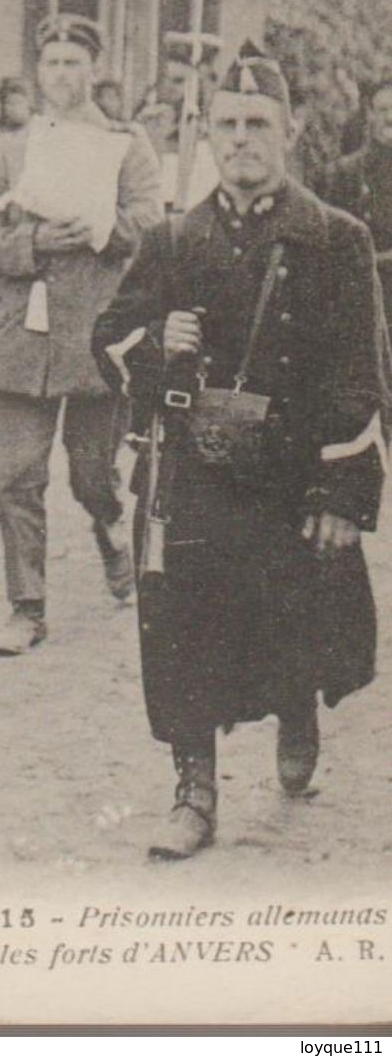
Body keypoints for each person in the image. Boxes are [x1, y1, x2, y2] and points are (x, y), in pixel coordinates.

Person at [92, 44, 388, 860]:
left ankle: (296, 710)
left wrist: (341, 494)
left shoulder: (335, 239)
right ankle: (193, 788)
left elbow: (360, 373)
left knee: (288, 619)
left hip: (289, 477)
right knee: (179, 626)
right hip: (190, 473)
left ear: (289, 132)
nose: (240, 139)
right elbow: (106, 339)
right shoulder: (170, 240)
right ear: (207, 134)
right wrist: (156, 344)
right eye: (225, 124)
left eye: (257, 123)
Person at [0, 13, 163, 656]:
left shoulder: (127, 146)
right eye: (50, 63)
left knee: (91, 474)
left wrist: (102, 228)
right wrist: (33, 242)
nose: (61, 75)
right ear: (37, 71)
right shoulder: (11, 151)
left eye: (74, 62)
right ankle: (27, 608)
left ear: (94, 69)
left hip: (95, 340)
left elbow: (152, 232)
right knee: (16, 474)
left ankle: (109, 530)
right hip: (24, 337)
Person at [320, 78, 392, 332]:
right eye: (383, 110)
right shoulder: (345, 174)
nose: (389, 117)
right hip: (363, 299)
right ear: (370, 114)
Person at [135, 32, 222, 211]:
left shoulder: (214, 129)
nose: (169, 87)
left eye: (179, 81)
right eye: (166, 79)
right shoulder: (147, 122)